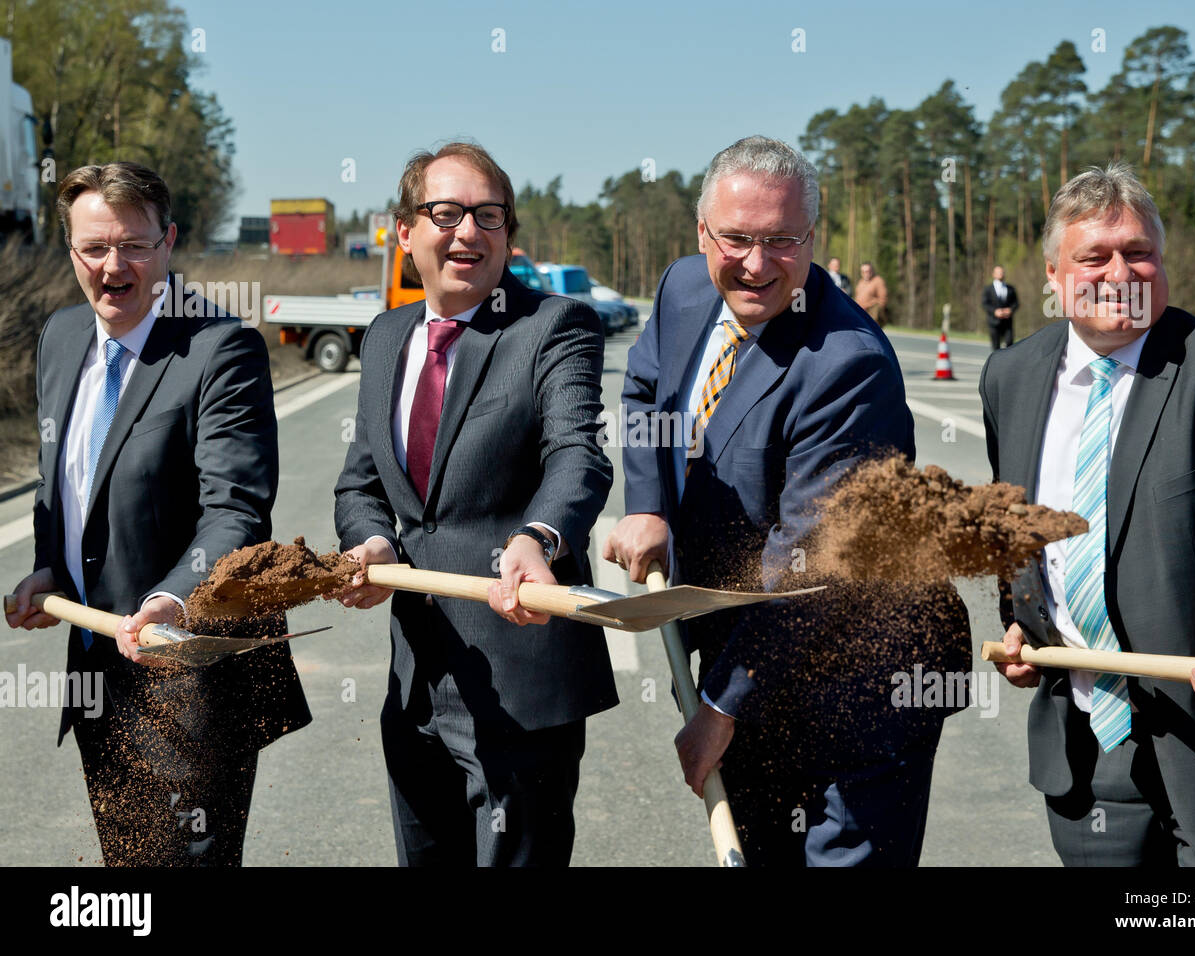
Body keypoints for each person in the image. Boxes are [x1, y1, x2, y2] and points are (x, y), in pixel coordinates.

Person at [604, 135, 970, 867]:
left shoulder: (847, 366)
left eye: (782, 240)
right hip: (750, 641)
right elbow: (646, 388)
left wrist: (720, 706)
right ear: (701, 232)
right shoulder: (683, 290)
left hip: (858, 688)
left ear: (814, 238)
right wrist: (648, 502)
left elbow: (808, 565)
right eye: (736, 238)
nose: (756, 263)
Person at [981, 162, 1195, 866]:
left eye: (1139, 252)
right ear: (1055, 275)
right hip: (1087, 750)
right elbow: (1017, 523)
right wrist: (1024, 614)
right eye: (1094, 256)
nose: (1120, 271)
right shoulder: (1011, 376)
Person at [5, 162, 310, 866]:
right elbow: (64, 483)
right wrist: (47, 565)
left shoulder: (219, 348)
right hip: (97, 666)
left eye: (134, 246)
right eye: (93, 247)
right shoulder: (59, 338)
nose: (114, 266)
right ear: (70, 249)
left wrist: (173, 598)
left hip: (189, 670)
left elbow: (235, 510)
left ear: (167, 242)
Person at [333, 142, 616, 867]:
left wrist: (538, 538)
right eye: (446, 212)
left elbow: (577, 453)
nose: (468, 232)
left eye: (488, 216)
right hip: (415, 680)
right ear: (404, 231)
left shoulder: (553, 326)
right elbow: (362, 485)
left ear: (509, 234)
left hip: (521, 676)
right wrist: (372, 544)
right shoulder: (386, 337)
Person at [981, 265, 1018, 350]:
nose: (1001, 274)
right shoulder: (988, 289)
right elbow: (984, 304)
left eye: (1002, 272)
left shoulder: (1010, 288)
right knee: (995, 346)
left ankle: (1009, 362)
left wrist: (1010, 310)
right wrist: (995, 311)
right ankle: (997, 362)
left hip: (1007, 322)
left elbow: (1016, 303)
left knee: (1010, 344)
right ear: (993, 274)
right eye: (998, 272)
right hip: (993, 322)